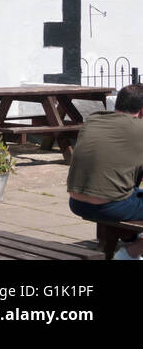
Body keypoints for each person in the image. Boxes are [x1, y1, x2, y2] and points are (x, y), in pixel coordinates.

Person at [67, 82, 143, 259]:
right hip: (111, 206)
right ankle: (132, 252)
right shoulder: (139, 128)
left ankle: (127, 237)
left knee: (132, 192)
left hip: (77, 203)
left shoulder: (93, 120)